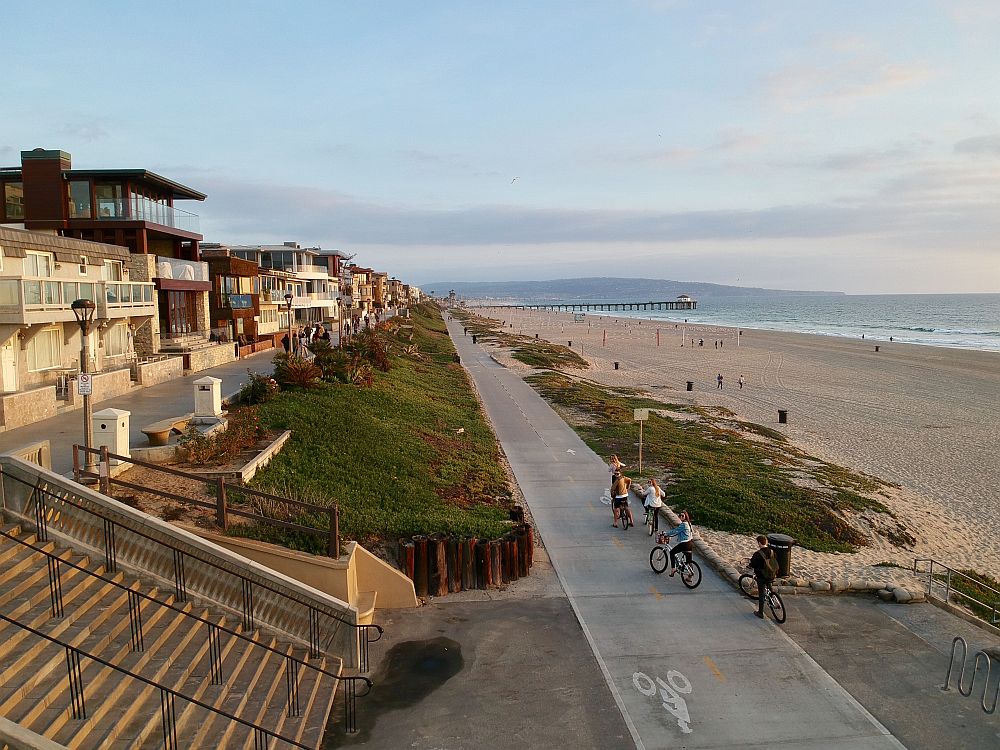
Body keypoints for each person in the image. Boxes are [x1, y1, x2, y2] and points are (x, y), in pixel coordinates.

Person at [749, 535, 777, 618]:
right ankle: (772, 600)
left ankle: (760, 613)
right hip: (771, 575)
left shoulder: (757, 554)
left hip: (762, 577)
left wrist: (750, 565)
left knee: (761, 593)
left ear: (759, 543)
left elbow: (753, 564)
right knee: (769, 586)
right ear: (766, 542)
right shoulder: (772, 551)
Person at [664, 511, 694, 575]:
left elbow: (675, 531)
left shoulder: (684, 524)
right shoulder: (689, 523)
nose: (681, 517)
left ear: (685, 516)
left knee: (672, 552)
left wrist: (666, 534)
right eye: (680, 515)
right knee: (689, 562)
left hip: (684, 544)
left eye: (682, 516)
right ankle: (690, 576)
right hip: (690, 544)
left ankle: (673, 569)